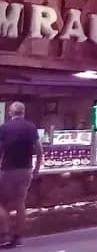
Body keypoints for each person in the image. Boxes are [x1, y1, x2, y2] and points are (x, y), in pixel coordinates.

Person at [0, 102, 42, 248]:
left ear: (11, 113)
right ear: (23, 112)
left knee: (1, 203)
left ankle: (4, 234)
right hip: (26, 170)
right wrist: (36, 168)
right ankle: (17, 237)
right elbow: (39, 149)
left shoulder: (4, 128)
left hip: (8, 170)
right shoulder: (31, 127)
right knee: (20, 203)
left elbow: (0, 150)